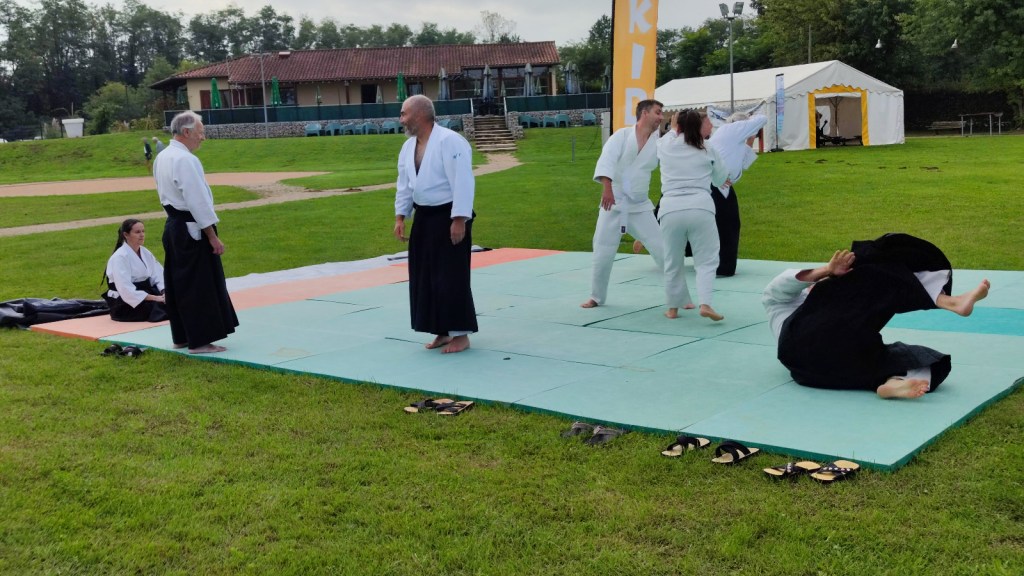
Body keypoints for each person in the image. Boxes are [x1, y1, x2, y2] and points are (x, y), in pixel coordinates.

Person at [763, 233, 990, 399]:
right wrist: (826, 271)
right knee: (869, 266)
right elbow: (776, 287)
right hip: (799, 343)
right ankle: (947, 301)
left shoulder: (844, 308)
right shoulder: (787, 304)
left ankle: (892, 383)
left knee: (931, 360)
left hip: (817, 372)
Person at [394, 94, 477, 354]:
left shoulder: (450, 141)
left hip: (449, 216)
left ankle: (461, 333)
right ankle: (441, 330)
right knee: (425, 276)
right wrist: (400, 216)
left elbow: (463, 181)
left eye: (404, 113)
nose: (401, 119)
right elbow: (405, 184)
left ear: (419, 115)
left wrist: (459, 219)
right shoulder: (409, 147)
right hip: (424, 217)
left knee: (451, 276)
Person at [154, 111, 238, 354]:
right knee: (199, 285)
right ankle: (200, 340)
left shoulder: (163, 156)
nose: (203, 138)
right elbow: (197, 201)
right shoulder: (185, 160)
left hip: (174, 227)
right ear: (187, 132)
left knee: (179, 283)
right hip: (192, 229)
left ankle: (181, 336)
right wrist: (212, 236)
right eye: (200, 132)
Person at [580, 99, 666, 309]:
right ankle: (596, 296)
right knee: (603, 251)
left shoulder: (659, 142)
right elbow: (607, 161)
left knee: (663, 250)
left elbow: (674, 162)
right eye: (658, 112)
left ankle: (681, 296)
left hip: (640, 205)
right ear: (644, 113)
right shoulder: (621, 136)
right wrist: (607, 189)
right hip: (614, 204)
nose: (661, 117)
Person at [656, 109, 729, 321]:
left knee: (672, 260)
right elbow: (720, 179)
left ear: (676, 125)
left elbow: (669, 135)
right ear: (699, 127)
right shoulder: (707, 148)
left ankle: (672, 308)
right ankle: (705, 304)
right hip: (700, 207)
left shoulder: (665, 145)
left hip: (670, 209)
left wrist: (674, 124)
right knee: (706, 260)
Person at [706, 111, 768, 276]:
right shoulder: (731, 129)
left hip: (723, 186)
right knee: (719, 225)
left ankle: (725, 266)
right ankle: (718, 265)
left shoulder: (734, 140)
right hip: (715, 185)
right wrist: (753, 116)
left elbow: (744, 160)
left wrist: (750, 138)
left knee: (730, 224)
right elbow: (763, 118)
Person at [102, 218, 167, 322]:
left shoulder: (145, 252)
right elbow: (125, 289)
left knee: (175, 301)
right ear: (126, 235)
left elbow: (158, 274)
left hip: (146, 294)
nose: (142, 235)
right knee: (163, 309)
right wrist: (155, 298)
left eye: (143, 231)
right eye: (137, 232)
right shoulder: (120, 257)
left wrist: (164, 292)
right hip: (124, 303)